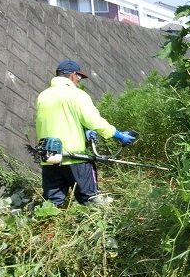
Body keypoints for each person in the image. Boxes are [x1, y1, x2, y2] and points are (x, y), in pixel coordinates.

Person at [35, 59, 137, 206]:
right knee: (91, 201)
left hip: (50, 156)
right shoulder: (77, 94)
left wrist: (83, 132)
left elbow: (55, 121)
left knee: (51, 205)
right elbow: (93, 120)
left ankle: (47, 225)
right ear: (72, 75)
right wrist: (118, 135)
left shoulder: (43, 96)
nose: (79, 81)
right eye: (79, 77)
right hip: (75, 158)